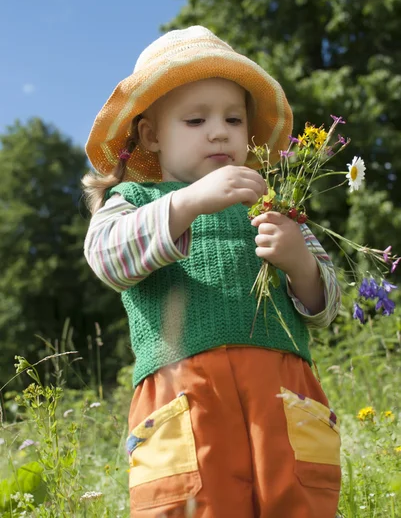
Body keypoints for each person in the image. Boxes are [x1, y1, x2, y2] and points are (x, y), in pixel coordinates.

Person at [82, 26, 342, 518]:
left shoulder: (273, 207)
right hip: (185, 398)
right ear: (152, 134)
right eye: (196, 119)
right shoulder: (136, 201)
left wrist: (300, 262)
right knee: (195, 507)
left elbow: (326, 307)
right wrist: (188, 202)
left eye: (233, 118)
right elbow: (107, 259)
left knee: (298, 503)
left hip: (282, 397)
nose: (219, 131)